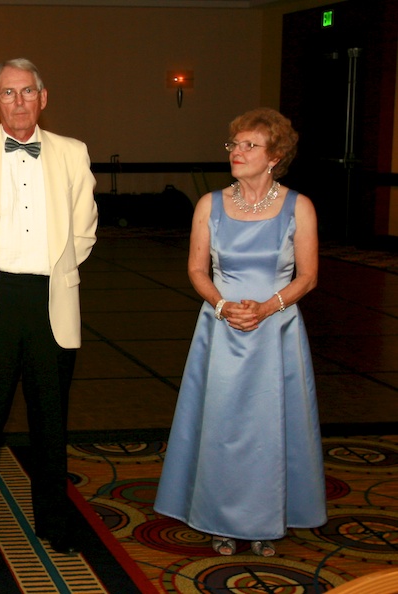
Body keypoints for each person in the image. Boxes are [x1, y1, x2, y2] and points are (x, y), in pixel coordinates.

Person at [0, 58, 98, 556]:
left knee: (51, 424)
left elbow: (84, 228)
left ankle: (54, 522)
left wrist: (58, 270)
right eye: (8, 93)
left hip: (52, 301)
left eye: (28, 92)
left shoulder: (73, 153)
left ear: (43, 98)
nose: (19, 102)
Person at [154, 108, 326, 557]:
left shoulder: (299, 206)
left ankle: (267, 521)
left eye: (250, 145)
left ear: (275, 156)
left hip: (277, 331)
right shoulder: (209, 204)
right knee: (221, 425)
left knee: (271, 427)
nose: (237, 152)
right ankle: (218, 518)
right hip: (221, 329)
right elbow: (196, 268)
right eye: (234, 144)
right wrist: (224, 305)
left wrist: (269, 307)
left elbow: (307, 276)